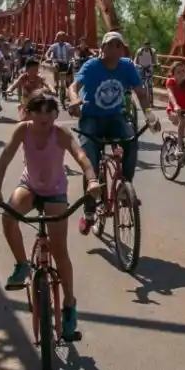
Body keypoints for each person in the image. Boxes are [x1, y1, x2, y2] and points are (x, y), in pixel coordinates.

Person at [0, 92, 102, 340]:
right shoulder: (22, 130)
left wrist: (92, 180)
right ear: (28, 112)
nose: (45, 116)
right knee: (9, 217)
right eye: (38, 111)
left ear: (55, 114)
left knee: (60, 252)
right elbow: (5, 158)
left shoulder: (60, 133)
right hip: (30, 187)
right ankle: (22, 265)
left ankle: (69, 305)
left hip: (56, 192)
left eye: (50, 111)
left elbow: (81, 157)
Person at [67, 31, 160, 235]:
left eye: (119, 45)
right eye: (111, 44)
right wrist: (74, 100)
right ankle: (89, 212)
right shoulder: (92, 66)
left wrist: (150, 115)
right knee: (90, 161)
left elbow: (141, 93)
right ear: (103, 48)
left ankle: (125, 190)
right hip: (91, 118)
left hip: (114, 116)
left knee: (131, 140)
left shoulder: (127, 66)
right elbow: (73, 87)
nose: (116, 48)